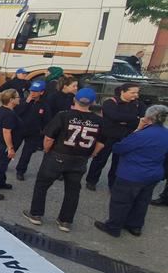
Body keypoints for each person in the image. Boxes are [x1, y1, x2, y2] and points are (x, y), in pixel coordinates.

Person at [23, 88, 105, 233]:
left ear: (75, 100)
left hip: (58, 155)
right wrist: (91, 154)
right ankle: (65, 221)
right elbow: (101, 143)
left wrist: (47, 150)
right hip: (80, 159)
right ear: (92, 103)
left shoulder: (63, 116)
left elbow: (49, 137)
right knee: (73, 190)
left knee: (42, 184)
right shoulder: (98, 121)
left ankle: (36, 214)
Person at [94, 105, 168, 237]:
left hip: (132, 173)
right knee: (142, 201)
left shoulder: (141, 135)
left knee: (121, 201)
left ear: (148, 118)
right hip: (153, 173)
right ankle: (135, 226)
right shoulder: (165, 134)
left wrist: (138, 129)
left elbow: (119, 148)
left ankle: (114, 226)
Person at [85, 83, 146, 191]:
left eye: (137, 92)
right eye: (133, 92)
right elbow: (113, 116)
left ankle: (113, 184)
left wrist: (126, 120)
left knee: (118, 163)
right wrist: (133, 118)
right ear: (123, 91)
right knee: (100, 159)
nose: (136, 95)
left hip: (125, 137)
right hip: (107, 136)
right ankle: (91, 180)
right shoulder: (110, 102)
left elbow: (141, 119)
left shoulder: (139, 105)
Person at [14, 81, 51, 181]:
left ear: (41, 92)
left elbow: (46, 121)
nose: (32, 93)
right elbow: (16, 112)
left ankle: (20, 171)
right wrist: (26, 102)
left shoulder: (44, 105)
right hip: (19, 130)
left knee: (27, 154)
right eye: (31, 91)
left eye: (35, 91)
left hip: (33, 133)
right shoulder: (23, 101)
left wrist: (41, 136)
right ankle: (3, 165)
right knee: (12, 149)